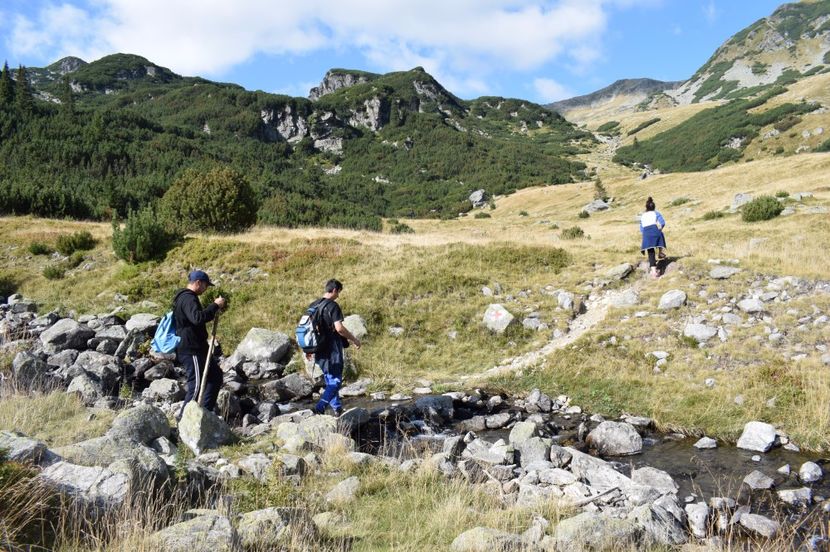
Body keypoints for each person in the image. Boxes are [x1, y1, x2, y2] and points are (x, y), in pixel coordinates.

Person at [173, 270, 226, 418]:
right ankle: (184, 421)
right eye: (205, 285)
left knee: (215, 377)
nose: (206, 288)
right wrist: (214, 306)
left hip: (199, 348)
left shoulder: (187, 298)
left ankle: (204, 415)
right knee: (196, 385)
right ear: (198, 283)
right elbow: (197, 318)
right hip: (191, 350)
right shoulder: (188, 298)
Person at [306, 279, 361, 416]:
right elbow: (339, 329)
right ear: (335, 290)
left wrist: (307, 349)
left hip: (318, 348)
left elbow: (307, 329)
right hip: (332, 349)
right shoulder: (333, 306)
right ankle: (319, 407)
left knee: (329, 378)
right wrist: (354, 339)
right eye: (339, 292)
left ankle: (337, 409)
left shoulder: (313, 305)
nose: (339, 295)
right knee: (335, 382)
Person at [640, 197, 667, 279]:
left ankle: (654, 272)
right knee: (660, 236)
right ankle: (660, 252)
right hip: (655, 231)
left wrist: (645, 234)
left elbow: (641, 228)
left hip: (646, 233)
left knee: (650, 252)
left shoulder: (643, 216)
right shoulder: (656, 213)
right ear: (654, 207)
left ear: (646, 208)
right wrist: (659, 229)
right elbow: (662, 223)